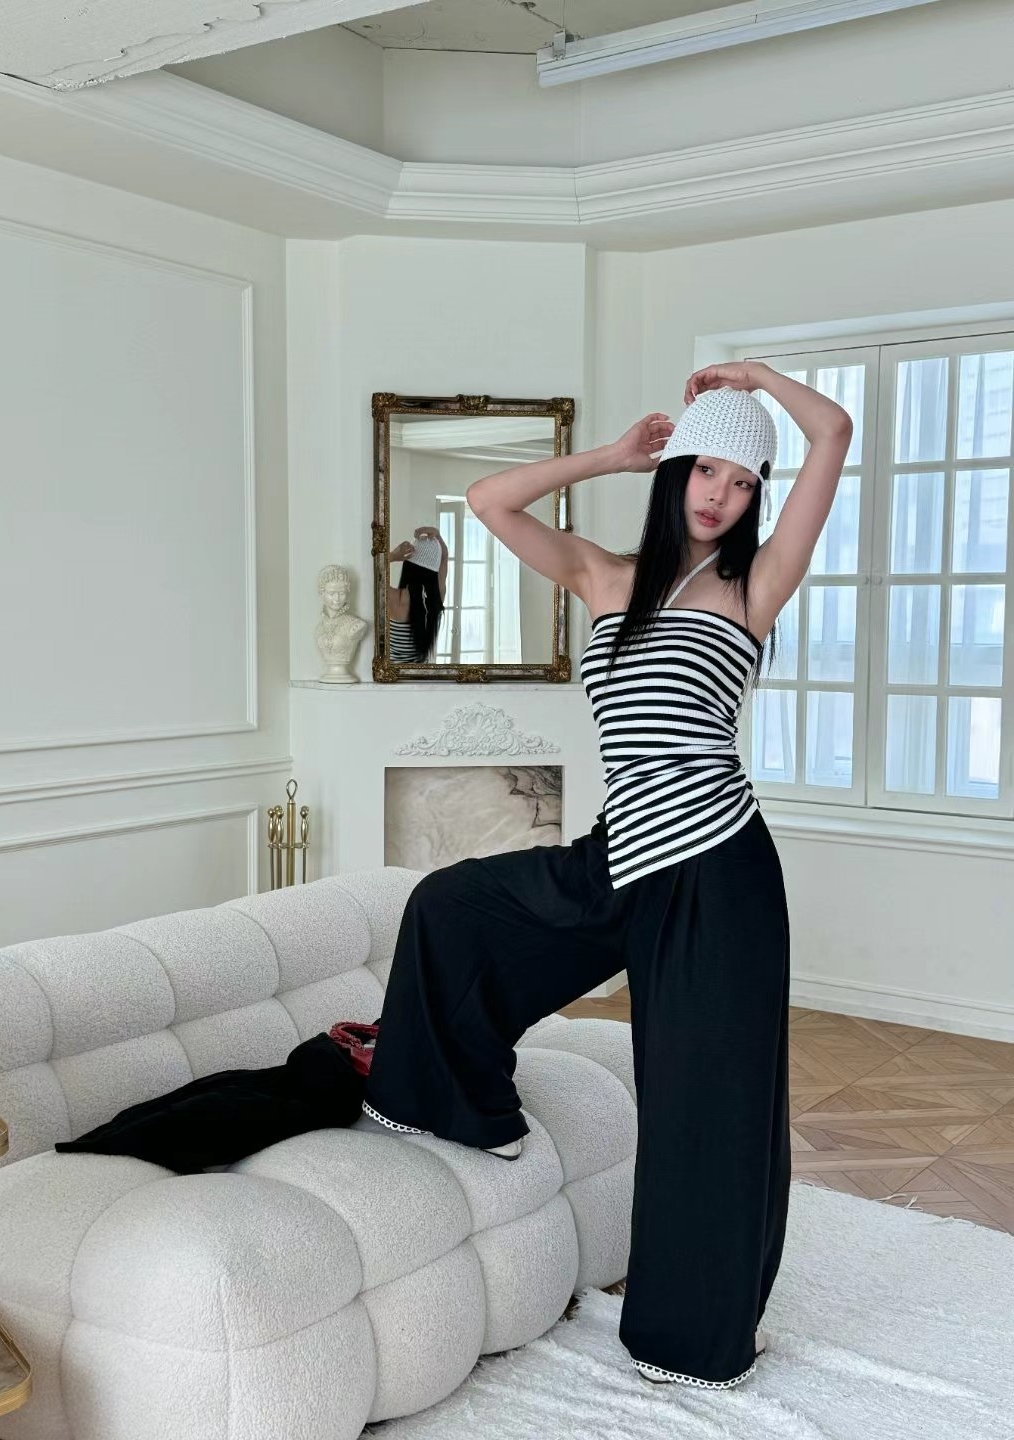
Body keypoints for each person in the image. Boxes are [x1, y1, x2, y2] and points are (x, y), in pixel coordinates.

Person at [362, 361, 853, 1389]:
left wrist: (759, 379)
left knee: (704, 1105)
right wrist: (612, 455)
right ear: (675, 472)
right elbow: (490, 500)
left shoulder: (753, 588)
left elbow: (835, 432)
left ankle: (693, 1338)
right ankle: (468, 1108)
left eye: (744, 481)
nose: (721, 495)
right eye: (706, 469)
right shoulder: (604, 576)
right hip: (617, 851)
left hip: (716, 870)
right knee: (449, 905)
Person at [387, 525, 449, 662]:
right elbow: (444, 559)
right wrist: (438, 536)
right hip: (422, 674)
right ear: (434, 573)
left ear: (407, 567)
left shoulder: (393, 598)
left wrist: (393, 556)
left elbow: (372, 569)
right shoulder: (436, 597)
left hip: (392, 674)